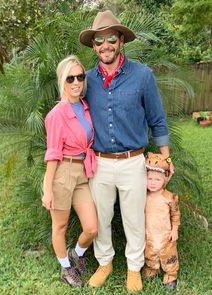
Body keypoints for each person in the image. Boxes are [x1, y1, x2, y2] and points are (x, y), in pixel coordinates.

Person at [79, 10, 174, 293]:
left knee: (134, 219)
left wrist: (166, 156)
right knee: (101, 218)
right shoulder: (85, 80)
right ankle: (105, 263)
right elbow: (73, 113)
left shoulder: (142, 76)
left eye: (110, 38)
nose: (105, 45)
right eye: (99, 41)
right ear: (94, 46)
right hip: (99, 163)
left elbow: (157, 118)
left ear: (121, 40)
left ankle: (134, 267)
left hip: (134, 162)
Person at [42, 55, 98, 288]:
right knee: (60, 226)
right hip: (63, 172)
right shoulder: (56, 114)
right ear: (62, 81)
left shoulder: (84, 106)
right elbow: (53, 154)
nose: (76, 82)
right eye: (70, 78)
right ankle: (66, 268)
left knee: (91, 228)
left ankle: (76, 254)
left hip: (83, 173)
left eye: (80, 76)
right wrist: (48, 190)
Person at [144, 152, 180, 290]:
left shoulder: (169, 197)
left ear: (165, 179)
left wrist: (175, 230)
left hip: (165, 234)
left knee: (169, 255)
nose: (153, 183)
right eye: (150, 179)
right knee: (150, 252)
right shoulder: (143, 195)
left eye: (157, 180)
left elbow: (175, 214)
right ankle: (152, 269)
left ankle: (171, 275)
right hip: (149, 233)